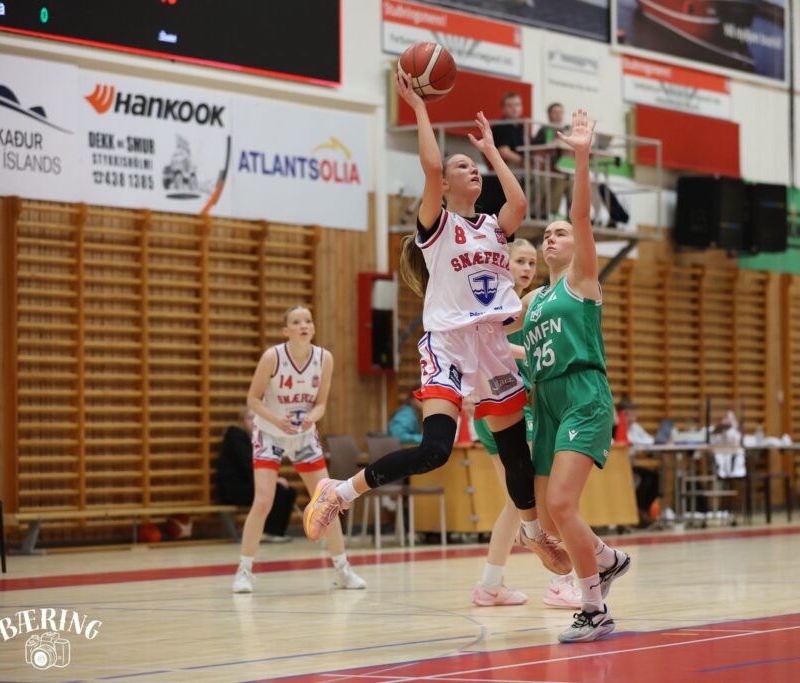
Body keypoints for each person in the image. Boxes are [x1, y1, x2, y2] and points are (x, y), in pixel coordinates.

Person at [301, 71, 570, 578]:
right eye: (462, 166)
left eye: (475, 167)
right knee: (435, 451)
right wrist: (420, 108)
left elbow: (519, 204)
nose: (473, 170)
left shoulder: (493, 227)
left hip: (491, 346)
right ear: (444, 186)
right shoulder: (437, 226)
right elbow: (430, 165)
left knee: (517, 454)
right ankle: (338, 492)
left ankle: (535, 535)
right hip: (447, 344)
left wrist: (491, 152)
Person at [516, 109, 631, 643]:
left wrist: (582, 157)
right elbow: (504, 339)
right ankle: (605, 558)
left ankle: (594, 608)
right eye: (545, 234)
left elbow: (582, 216)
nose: (550, 238)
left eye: (558, 232)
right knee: (547, 516)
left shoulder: (581, 280)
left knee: (563, 505)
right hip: (545, 401)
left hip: (583, 393)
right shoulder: (533, 300)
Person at [471, 238, 581, 610]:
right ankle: (559, 581)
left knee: (516, 502)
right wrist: (533, 354)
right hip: (502, 405)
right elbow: (485, 342)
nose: (527, 269)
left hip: (518, 405)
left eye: (532, 263)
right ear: (503, 262)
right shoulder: (498, 303)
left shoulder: (532, 303)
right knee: (542, 494)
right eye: (520, 261)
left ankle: (490, 585)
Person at [233, 305, 366, 593]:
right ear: (286, 330)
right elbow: (253, 399)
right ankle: (244, 571)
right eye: (296, 322)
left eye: (307, 320)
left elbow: (321, 404)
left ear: (313, 328)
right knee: (263, 502)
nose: (303, 325)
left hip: (303, 436)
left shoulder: (324, 358)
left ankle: (342, 569)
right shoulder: (273, 357)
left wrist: (311, 418)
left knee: (327, 501)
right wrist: (276, 420)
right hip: (270, 433)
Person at [216, 406, 297, 542]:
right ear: (242, 421)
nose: (254, 422)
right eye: (250, 418)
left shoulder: (258, 440)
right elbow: (249, 464)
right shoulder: (235, 436)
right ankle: (267, 532)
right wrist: (273, 480)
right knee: (279, 491)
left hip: (252, 484)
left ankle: (277, 533)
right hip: (236, 488)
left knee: (289, 491)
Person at [616, 398, 658, 526]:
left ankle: (641, 510)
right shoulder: (615, 427)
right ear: (620, 414)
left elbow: (650, 440)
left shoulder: (635, 427)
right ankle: (636, 512)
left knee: (654, 477)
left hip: (630, 466)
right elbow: (628, 442)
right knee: (645, 478)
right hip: (616, 468)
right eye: (628, 415)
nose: (632, 419)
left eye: (634, 415)